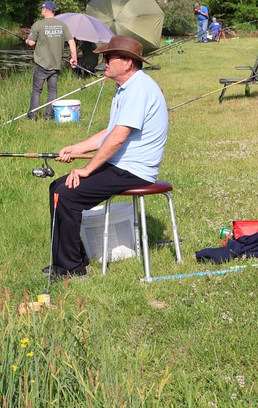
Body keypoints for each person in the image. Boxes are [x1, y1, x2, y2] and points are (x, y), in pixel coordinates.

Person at [45, 36, 169, 278]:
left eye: (109, 57)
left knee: (68, 194)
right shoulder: (126, 88)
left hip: (134, 170)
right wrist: (76, 148)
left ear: (128, 63)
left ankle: (71, 268)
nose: (104, 62)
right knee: (57, 187)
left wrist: (87, 169)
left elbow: (118, 137)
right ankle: (69, 260)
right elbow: (109, 132)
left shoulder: (139, 89)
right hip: (121, 164)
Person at [25, 0, 78, 120]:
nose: (41, 11)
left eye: (41, 9)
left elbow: (32, 42)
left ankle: (32, 116)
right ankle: (48, 116)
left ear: (45, 10)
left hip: (41, 64)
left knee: (36, 91)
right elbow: (71, 41)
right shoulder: (62, 25)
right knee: (52, 91)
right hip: (55, 65)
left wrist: (27, 41)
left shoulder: (38, 24)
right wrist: (73, 58)